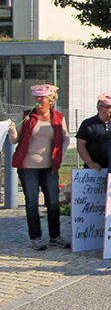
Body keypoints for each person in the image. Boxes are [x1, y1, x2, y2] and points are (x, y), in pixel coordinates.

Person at [8, 84, 71, 250]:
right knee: (31, 203)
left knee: (53, 203)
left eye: (40, 98)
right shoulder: (27, 116)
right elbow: (15, 140)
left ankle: (55, 237)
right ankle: (36, 238)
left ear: (49, 101)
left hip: (49, 166)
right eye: (36, 97)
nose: (37, 100)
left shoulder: (58, 117)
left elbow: (66, 138)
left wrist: (60, 154)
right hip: (28, 166)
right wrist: (12, 131)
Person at [76, 93, 111, 171]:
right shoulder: (88, 124)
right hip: (94, 170)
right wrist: (90, 163)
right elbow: (81, 146)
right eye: (109, 107)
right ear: (100, 107)